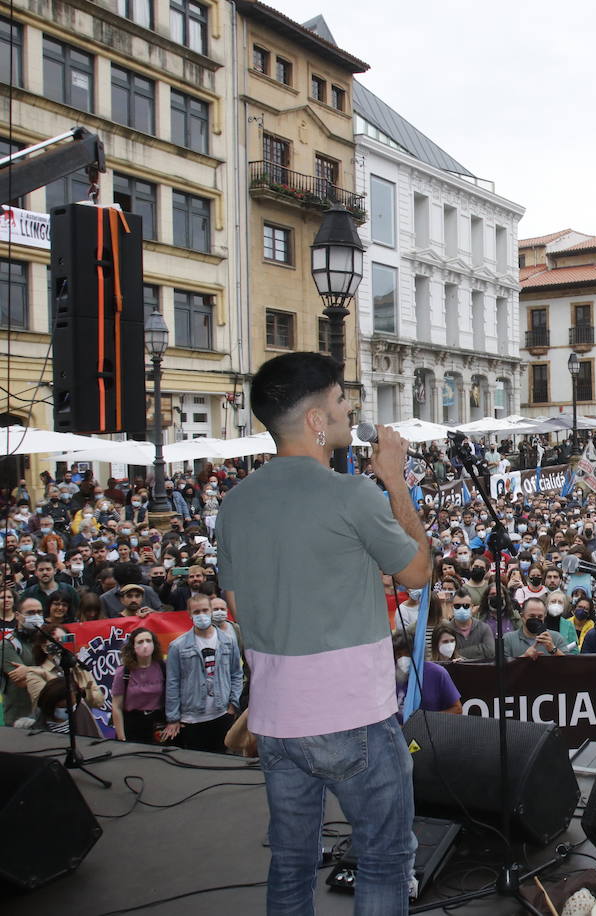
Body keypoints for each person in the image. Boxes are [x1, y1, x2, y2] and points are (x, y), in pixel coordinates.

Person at [216, 352, 430, 912]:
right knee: (384, 860)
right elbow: (418, 573)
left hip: (276, 720)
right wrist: (395, 481)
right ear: (316, 420)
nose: (349, 407)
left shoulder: (234, 504)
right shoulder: (352, 493)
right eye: (340, 399)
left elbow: (238, 607)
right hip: (353, 716)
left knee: (290, 862)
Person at [163, 594, 243, 752]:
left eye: (205, 610)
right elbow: (172, 682)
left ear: (211, 611)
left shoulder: (228, 641)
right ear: (189, 614)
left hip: (222, 713)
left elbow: (236, 673)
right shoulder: (177, 646)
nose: (201, 615)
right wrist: (173, 718)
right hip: (192, 717)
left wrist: (233, 704)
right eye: (196, 612)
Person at [111, 626, 166, 743]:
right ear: (133, 646)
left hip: (157, 725)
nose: (145, 645)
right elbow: (116, 707)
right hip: (132, 724)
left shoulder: (163, 667)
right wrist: (122, 737)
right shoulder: (123, 672)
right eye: (140, 642)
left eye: (148, 641)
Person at [392, 631, 461, 715]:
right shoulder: (390, 675)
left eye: (408, 653)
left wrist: (427, 722)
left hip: (430, 726)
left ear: (418, 653)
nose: (403, 659)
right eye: (399, 655)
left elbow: (457, 709)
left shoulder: (437, 673)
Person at [504, 597, 570, 658]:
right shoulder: (508, 639)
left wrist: (553, 649)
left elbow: (568, 664)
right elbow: (504, 668)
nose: (536, 619)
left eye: (540, 617)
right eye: (532, 616)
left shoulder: (556, 638)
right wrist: (524, 657)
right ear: (522, 616)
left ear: (544, 617)